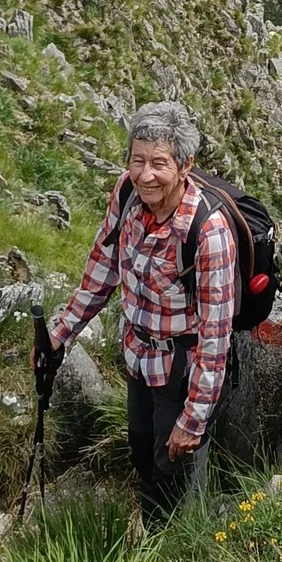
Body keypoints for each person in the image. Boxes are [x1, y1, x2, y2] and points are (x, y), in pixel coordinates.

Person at [36, 100, 236, 523]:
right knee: (144, 457)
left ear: (185, 166)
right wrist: (60, 334)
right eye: (137, 160)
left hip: (182, 372)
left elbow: (216, 339)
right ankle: (151, 539)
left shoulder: (208, 234)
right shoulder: (126, 194)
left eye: (159, 163)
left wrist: (194, 419)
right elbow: (102, 268)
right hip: (138, 360)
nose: (146, 175)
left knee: (176, 475)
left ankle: (182, 560)